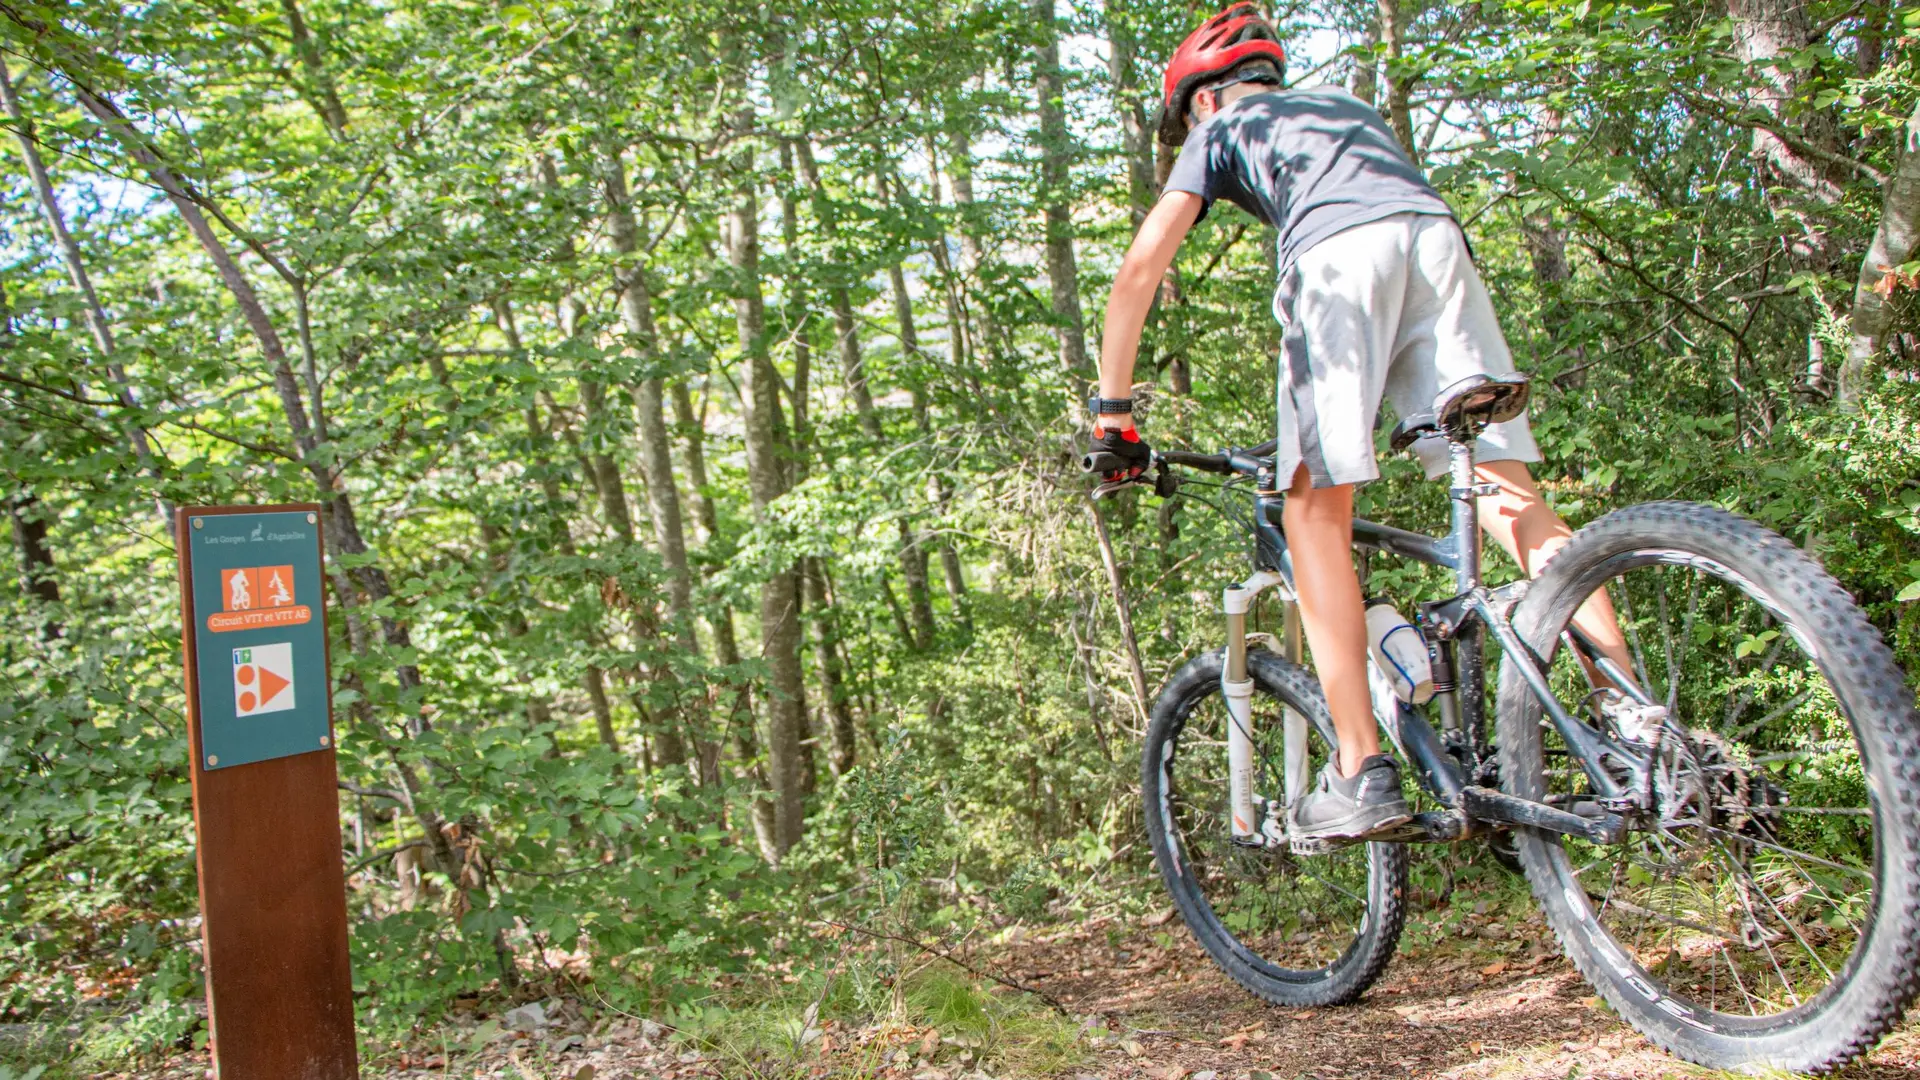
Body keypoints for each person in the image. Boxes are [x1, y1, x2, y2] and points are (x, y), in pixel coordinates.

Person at [1089, 4, 1658, 840]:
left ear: (1202, 100)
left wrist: (1113, 417)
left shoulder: (1222, 128)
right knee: (1506, 496)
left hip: (1338, 262)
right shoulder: (1342, 113)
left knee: (1313, 514)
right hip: (1436, 244)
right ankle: (1635, 717)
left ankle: (1359, 767)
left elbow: (1141, 269)